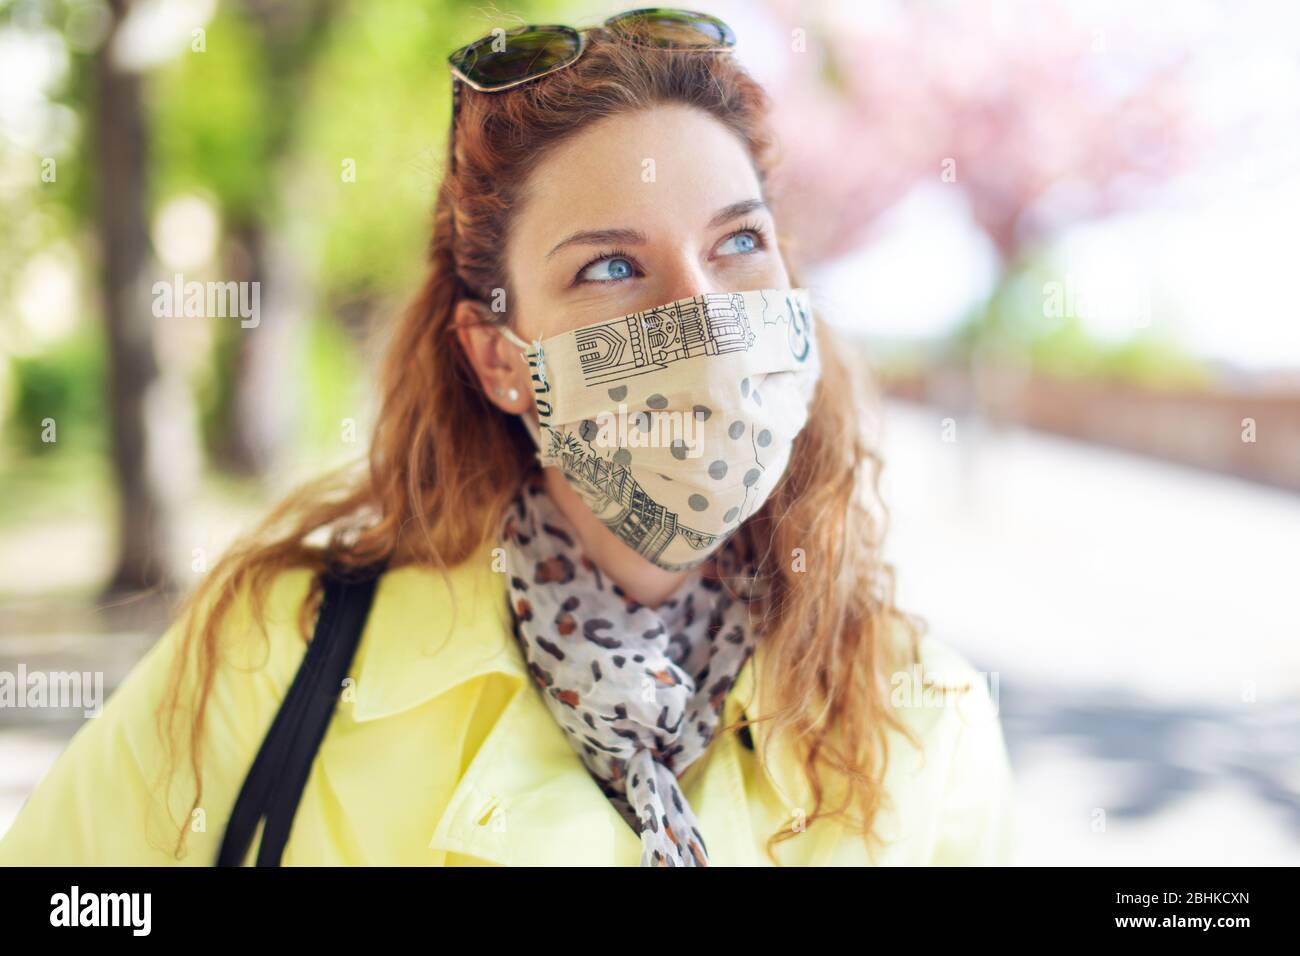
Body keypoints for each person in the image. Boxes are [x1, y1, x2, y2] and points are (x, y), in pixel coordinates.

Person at [0, 9, 1014, 867]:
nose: (703, 316)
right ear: (499, 357)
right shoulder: (279, 649)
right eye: (610, 268)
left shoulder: (923, 712)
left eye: (738, 242)